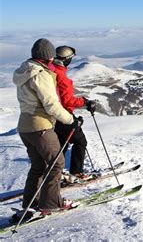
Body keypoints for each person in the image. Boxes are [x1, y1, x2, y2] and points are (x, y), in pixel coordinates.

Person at [12, 38, 83, 215]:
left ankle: (32, 203)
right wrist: (71, 120)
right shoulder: (41, 74)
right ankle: (51, 203)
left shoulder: (25, 71)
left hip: (25, 127)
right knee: (56, 163)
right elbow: (51, 105)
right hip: (41, 126)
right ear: (48, 57)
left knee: (39, 166)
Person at [52, 45, 96, 182]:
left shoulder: (51, 71)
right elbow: (67, 100)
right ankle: (76, 173)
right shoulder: (61, 76)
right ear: (66, 59)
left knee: (62, 145)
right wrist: (85, 102)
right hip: (63, 115)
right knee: (80, 141)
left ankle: (55, 173)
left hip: (53, 115)